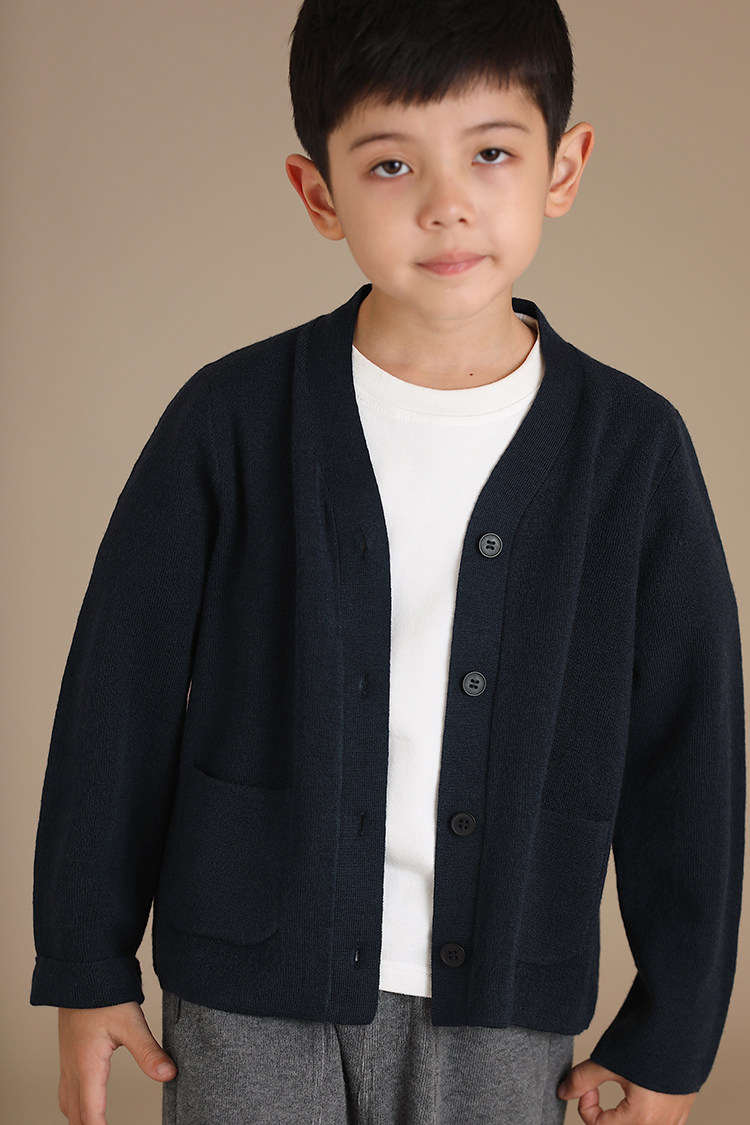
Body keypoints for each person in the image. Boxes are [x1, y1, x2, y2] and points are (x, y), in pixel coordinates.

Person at [31, 1, 744, 1123]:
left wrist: (673, 1030)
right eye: (391, 163)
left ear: (563, 167)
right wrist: (86, 959)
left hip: (505, 985)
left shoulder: (633, 451)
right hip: (249, 971)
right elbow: (117, 694)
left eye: (492, 153)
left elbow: (690, 755)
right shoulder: (231, 419)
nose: (446, 201)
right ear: (319, 192)